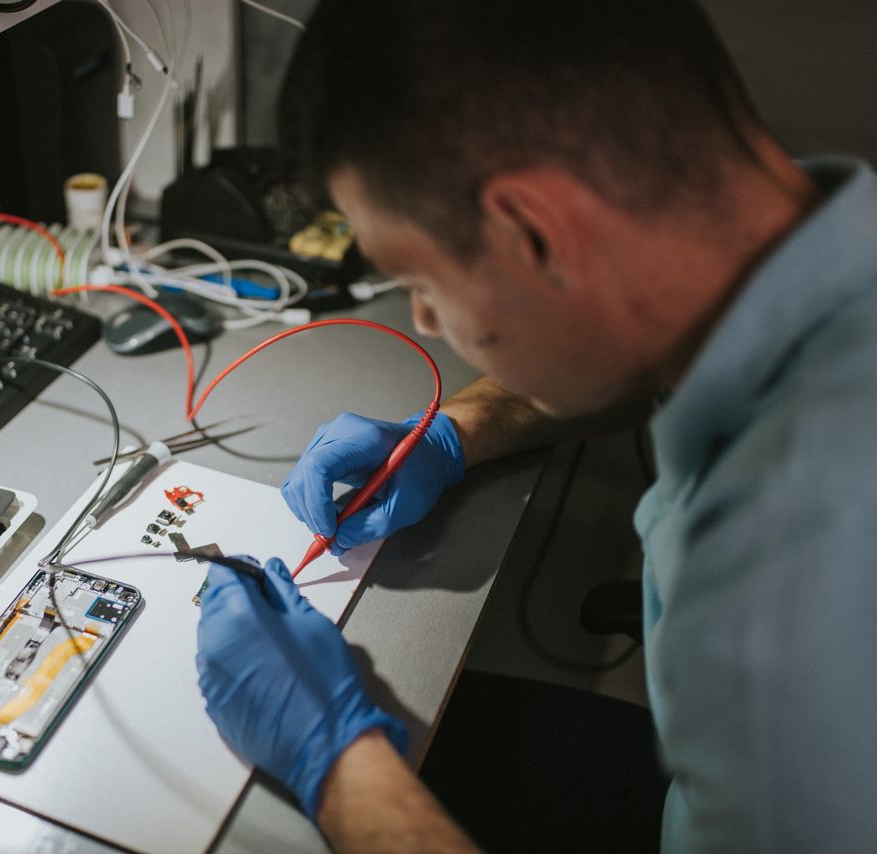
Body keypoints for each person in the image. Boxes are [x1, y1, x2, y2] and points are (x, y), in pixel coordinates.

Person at [195, 1, 877, 851]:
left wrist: (334, 762)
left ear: (535, 231)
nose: (426, 319)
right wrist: (462, 429)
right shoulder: (796, 244)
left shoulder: (793, 569)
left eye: (418, 276)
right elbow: (644, 341)